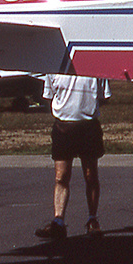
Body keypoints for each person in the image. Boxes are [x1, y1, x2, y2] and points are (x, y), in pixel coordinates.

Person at [36, 74, 111, 239]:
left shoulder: (95, 67)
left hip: (88, 126)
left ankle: (93, 220)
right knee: (61, 177)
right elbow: (49, 95)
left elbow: (103, 96)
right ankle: (58, 221)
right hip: (63, 127)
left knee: (91, 175)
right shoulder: (54, 68)